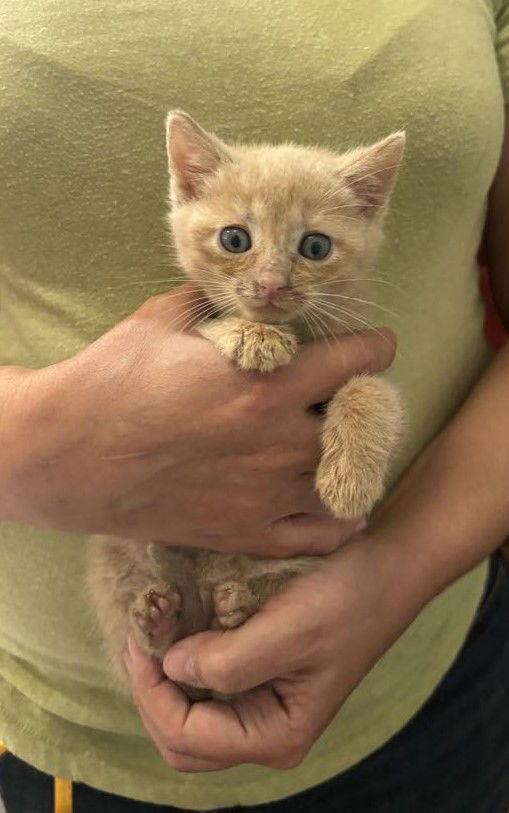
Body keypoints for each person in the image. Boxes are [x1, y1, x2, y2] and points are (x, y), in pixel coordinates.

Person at [0, 1, 508, 811]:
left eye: (312, 249)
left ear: (369, 211)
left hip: (424, 673)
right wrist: (25, 448)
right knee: (124, 565)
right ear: (186, 187)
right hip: (78, 725)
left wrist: (389, 574)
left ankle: (239, 599)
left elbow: (360, 407)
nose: (270, 283)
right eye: (234, 241)